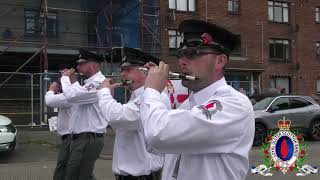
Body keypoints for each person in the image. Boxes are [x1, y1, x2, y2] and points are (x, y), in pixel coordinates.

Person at [140, 20, 255, 180]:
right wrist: (155, 93)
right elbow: (152, 145)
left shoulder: (235, 104)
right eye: (180, 55)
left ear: (220, 61)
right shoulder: (188, 105)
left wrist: (151, 91)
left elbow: (158, 135)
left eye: (193, 54)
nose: (182, 61)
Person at [97, 47, 171, 180]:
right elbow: (119, 125)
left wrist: (104, 93)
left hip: (142, 176)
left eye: (128, 70)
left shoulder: (154, 97)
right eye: (122, 70)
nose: (123, 74)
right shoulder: (137, 96)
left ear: (147, 72)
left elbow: (116, 117)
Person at [60, 49, 107, 180]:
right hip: (83, 138)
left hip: (88, 138)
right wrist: (73, 81)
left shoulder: (98, 83)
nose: (77, 67)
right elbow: (79, 94)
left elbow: (72, 96)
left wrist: (64, 78)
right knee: (82, 174)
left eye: (81, 64)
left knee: (75, 175)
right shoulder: (89, 84)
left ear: (92, 65)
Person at [45, 80, 77, 180]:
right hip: (69, 136)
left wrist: (51, 90)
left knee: (62, 164)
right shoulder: (73, 94)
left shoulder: (71, 96)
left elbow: (49, 101)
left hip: (70, 137)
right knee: (73, 166)